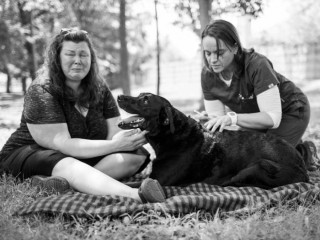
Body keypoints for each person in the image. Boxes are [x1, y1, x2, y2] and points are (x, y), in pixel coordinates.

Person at [0, 28, 165, 203]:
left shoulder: (99, 88)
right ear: (57, 58)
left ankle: (65, 183)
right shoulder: (41, 90)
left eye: (83, 55)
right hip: (32, 154)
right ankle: (135, 195)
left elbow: (113, 132)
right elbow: (64, 144)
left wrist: (132, 135)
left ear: (91, 59)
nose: (78, 60)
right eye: (70, 54)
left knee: (136, 154)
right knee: (65, 161)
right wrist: (115, 145)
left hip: (78, 155)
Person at [198, 19, 319, 170]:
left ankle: (306, 152)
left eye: (220, 53)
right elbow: (218, 121)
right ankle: (295, 146)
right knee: (244, 157)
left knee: (266, 165)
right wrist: (210, 121)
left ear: (235, 48)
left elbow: (272, 118)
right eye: (208, 53)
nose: (213, 60)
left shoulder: (257, 65)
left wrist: (232, 118)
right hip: (256, 115)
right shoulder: (208, 75)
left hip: (291, 110)